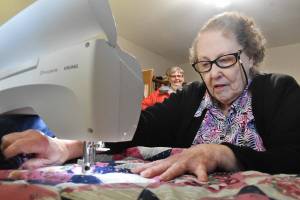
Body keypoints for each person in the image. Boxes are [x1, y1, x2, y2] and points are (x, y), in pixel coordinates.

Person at [1, 12, 300, 181]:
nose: (213, 74)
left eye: (226, 60)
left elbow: (294, 155)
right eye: (205, 64)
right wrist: (66, 147)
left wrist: (224, 153)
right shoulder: (191, 96)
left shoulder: (279, 89)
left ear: (250, 56)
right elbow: (135, 128)